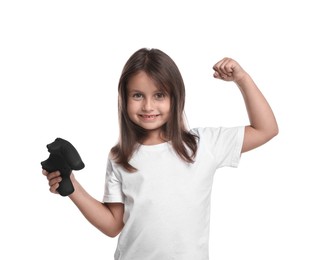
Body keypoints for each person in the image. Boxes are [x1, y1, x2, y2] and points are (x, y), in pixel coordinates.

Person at [43, 48, 278, 260]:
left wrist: (242, 80)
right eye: (137, 95)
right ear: (124, 99)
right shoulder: (120, 156)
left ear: (176, 98)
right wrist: (72, 186)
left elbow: (266, 129)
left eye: (159, 95)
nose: (148, 106)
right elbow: (113, 225)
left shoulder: (203, 145)